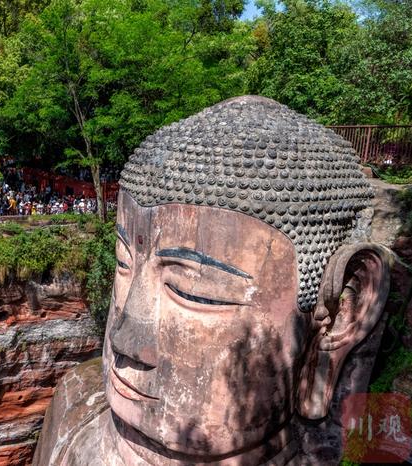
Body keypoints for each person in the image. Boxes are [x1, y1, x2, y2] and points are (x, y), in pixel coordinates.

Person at [33, 96, 392, 466]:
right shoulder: (73, 410)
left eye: (192, 293)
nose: (123, 340)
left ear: (340, 316)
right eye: (123, 264)